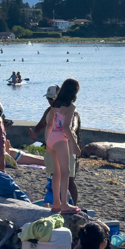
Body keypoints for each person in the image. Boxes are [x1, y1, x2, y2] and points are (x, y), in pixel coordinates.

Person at [31, 85, 81, 206]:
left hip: (66, 146)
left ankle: (71, 204)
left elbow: (73, 127)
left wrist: (73, 141)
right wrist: (35, 133)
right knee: (55, 174)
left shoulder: (71, 110)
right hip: (53, 145)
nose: (49, 101)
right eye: (48, 98)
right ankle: (57, 203)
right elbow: (44, 124)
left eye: (51, 98)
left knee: (69, 178)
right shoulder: (51, 109)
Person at [46, 78, 82, 214]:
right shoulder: (71, 107)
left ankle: (56, 203)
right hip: (61, 139)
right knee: (65, 172)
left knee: (56, 173)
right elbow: (66, 127)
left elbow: (50, 124)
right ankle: (65, 204)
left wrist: (47, 142)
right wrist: (75, 145)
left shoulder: (54, 105)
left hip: (52, 138)